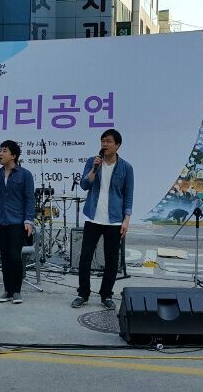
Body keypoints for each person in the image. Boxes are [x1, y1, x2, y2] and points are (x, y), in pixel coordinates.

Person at [71, 129, 134, 310]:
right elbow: (85, 185)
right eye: (102, 141)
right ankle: (83, 293)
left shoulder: (126, 168)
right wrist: (94, 169)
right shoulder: (93, 161)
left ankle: (106, 294)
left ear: (117, 145)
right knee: (85, 257)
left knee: (112, 260)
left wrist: (126, 220)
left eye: (108, 141)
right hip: (93, 217)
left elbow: (128, 195)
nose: (104, 144)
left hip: (114, 220)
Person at [0, 140, 34, 304]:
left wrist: (29, 220)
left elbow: (30, 199)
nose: (0, 154)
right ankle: (7, 291)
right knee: (4, 257)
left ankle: (16, 291)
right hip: (1, 221)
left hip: (17, 221)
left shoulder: (25, 174)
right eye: (0, 150)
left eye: (4, 151)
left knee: (15, 256)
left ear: (13, 155)